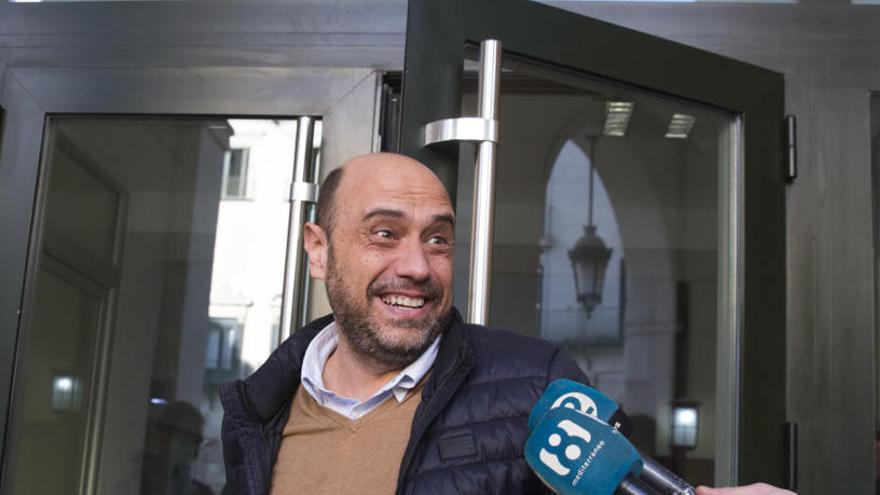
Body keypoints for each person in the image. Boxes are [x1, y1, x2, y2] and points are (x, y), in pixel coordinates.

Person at [220, 152, 796, 495]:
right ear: (318, 251)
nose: (417, 266)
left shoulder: (537, 386)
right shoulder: (259, 409)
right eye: (385, 234)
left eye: (438, 239)